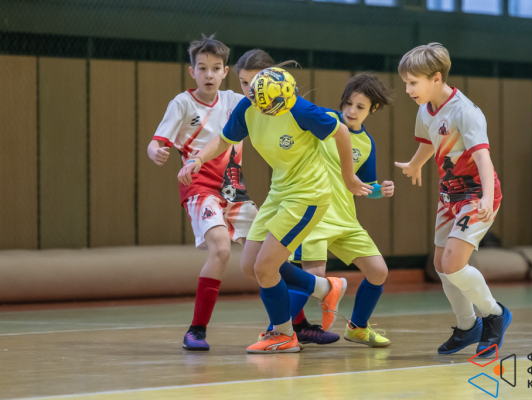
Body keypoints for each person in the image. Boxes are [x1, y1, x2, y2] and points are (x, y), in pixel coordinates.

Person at [178, 50, 373, 354]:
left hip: (308, 195)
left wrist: (349, 179)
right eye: (245, 84)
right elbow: (224, 139)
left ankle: (284, 334)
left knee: (266, 267)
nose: (251, 91)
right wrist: (197, 159)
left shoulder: (299, 109)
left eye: (254, 83)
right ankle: (324, 287)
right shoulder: (247, 108)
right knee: (250, 266)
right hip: (279, 192)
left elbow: (342, 132)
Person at [394, 43, 511, 358]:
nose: (408, 89)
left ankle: (495, 314)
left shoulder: (465, 111)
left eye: (412, 83)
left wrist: (487, 198)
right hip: (449, 197)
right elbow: (428, 142)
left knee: (453, 264)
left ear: (435, 78)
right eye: (405, 83)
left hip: (476, 195)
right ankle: (467, 325)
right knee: (440, 265)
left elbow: (483, 158)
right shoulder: (425, 108)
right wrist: (415, 164)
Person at [147, 34, 257, 351]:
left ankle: (296, 325)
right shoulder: (182, 103)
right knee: (220, 249)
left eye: (216, 68)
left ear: (225, 72)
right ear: (192, 71)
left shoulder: (236, 101)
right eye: (203, 68)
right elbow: (157, 142)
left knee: (268, 254)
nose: (209, 74)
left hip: (234, 189)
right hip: (200, 188)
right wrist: (155, 152)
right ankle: (196, 330)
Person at [288, 73, 395, 348]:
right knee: (313, 281)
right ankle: (276, 331)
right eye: (348, 103)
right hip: (314, 216)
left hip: (346, 220)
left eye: (360, 106)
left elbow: (365, 187)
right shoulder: (324, 120)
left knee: (378, 271)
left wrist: (380, 190)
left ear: (373, 109)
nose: (351, 110)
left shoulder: (367, 143)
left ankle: (357, 328)